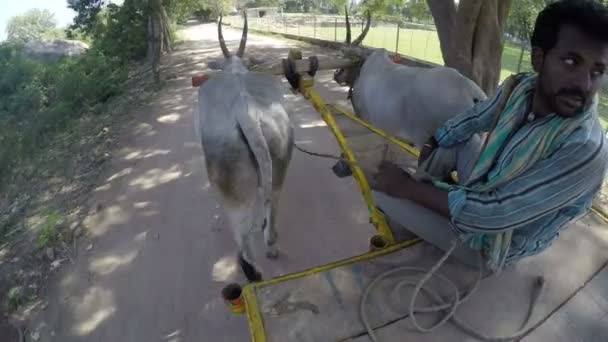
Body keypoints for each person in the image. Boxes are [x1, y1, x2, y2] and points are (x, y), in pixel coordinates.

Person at [370, 0, 608, 268]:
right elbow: (476, 117)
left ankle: (420, 202)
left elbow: (494, 215)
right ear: (538, 59)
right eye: (570, 62)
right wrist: (437, 140)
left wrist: (406, 188)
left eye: (597, 71)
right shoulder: (520, 87)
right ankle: (427, 199)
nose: (584, 85)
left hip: (498, 241)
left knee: (381, 193)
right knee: (453, 140)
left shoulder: (586, 149)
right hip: (489, 186)